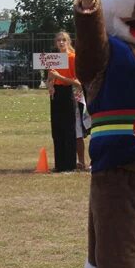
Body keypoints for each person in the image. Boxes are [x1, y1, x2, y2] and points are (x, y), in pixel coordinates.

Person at [47, 32, 86, 171]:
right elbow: (50, 78)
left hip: (69, 93)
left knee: (69, 129)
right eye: (58, 40)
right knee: (57, 129)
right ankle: (59, 165)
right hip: (56, 95)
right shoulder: (54, 58)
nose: (61, 43)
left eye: (64, 40)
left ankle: (70, 165)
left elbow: (78, 83)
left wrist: (59, 77)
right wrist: (50, 85)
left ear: (69, 42)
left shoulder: (73, 58)